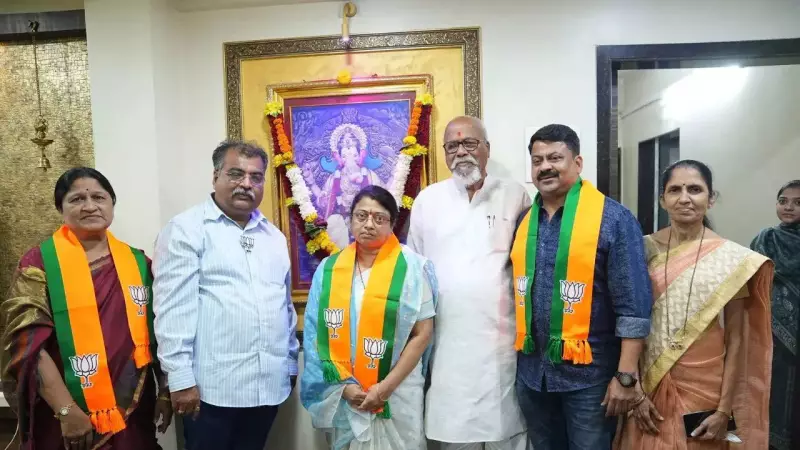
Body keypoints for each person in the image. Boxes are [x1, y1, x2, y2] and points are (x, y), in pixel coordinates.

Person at [1, 167, 171, 450]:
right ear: (61, 209)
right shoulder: (38, 265)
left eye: (99, 197)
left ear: (112, 204)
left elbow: (163, 329)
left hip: (132, 404)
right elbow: (27, 343)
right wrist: (66, 410)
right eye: (77, 199)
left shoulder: (139, 263)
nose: (90, 206)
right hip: (61, 412)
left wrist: (165, 391)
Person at [512, 124, 653, 450]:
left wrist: (626, 377)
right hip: (533, 376)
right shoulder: (524, 221)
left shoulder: (613, 219)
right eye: (537, 160)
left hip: (589, 381)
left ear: (577, 163)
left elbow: (633, 306)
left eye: (555, 158)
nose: (545, 167)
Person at [616, 160, 774, 449]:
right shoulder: (642, 249)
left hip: (705, 385)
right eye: (675, 190)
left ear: (711, 198)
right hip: (646, 383)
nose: (685, 198)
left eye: (695, 189)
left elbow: (737, 338)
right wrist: (633, 388)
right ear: (663, 199)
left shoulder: (730, 260)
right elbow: (625, 319)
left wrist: (724, 410)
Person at [152, 140, 299, 450]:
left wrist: (289, 363)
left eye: (256, 177)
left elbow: (284, 306)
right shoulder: (186, 229)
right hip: (210, 391)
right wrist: (180, 379)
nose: (246, 184)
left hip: (267, 386)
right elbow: (172, 310)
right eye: (236, 174)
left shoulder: (273, 236)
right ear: (215, 176)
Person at [408, 116, 531, 449]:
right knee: (456, 434)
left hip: (501, 343)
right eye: (452, 146)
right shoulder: (427, 201)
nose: (461, 152)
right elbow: (415, 273)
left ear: (487, 148)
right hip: (447, 343)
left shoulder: (515, 195)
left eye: (469, 143)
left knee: (508, 432)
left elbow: (529, 264)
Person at [301, 185, 437, 449]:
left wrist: (385, 388)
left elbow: (423, 333)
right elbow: (315, 334)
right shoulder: (329, 270)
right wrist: (344, 388)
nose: (369, 224)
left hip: (398, 390)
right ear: (351, 220)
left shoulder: (412, 269)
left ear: (392, 224)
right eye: (361, 216)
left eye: (379, 218)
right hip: (345, 392)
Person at [751, 179, 800, 450]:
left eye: (798, 203)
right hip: (770, 335)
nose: (788, 207)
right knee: (774, 392)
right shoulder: (765, 239)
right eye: (783, 201)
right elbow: (750, 283)